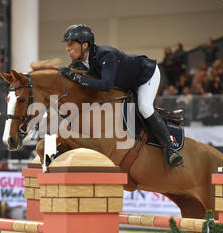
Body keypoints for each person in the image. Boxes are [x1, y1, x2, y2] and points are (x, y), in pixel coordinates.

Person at [59, 24, 183, 168]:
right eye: (67, 45)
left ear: (85, 45)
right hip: (126, 81)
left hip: (145, 75)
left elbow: (105, 85)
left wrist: (78, 79)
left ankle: (170, 149)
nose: (67, 48)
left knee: (144, 107)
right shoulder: (78, 63)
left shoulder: (105, 55)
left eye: (71, 44)